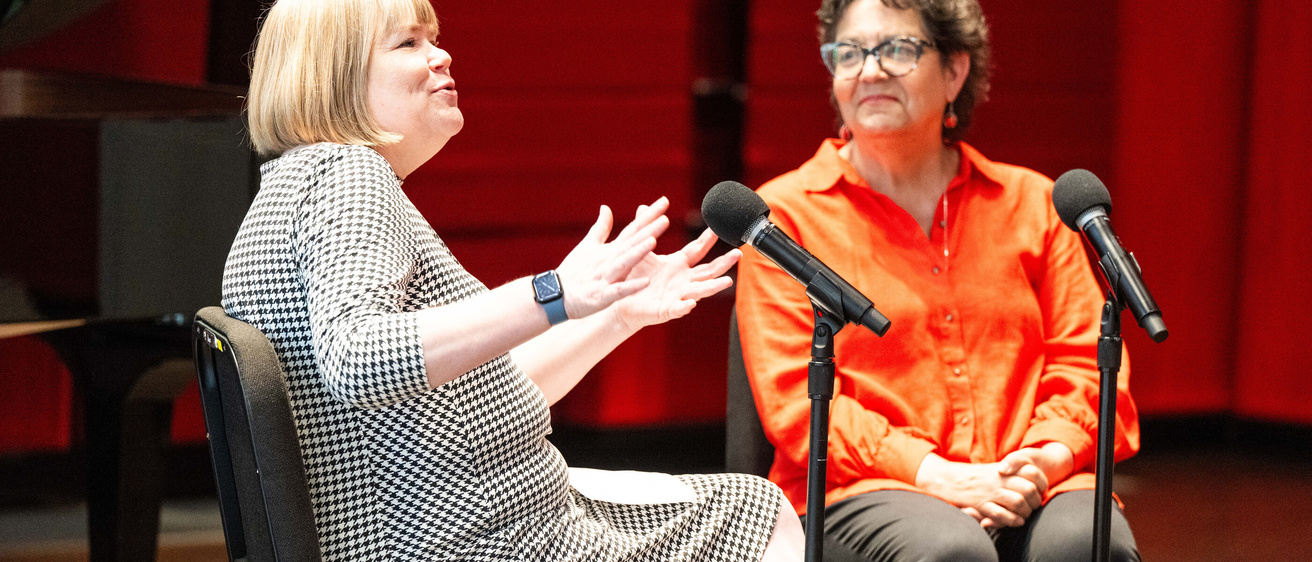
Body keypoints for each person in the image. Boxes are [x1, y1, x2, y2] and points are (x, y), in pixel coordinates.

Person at [222, 0, 805, 560]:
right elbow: (360, 359)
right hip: (470, 539)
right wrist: (551, 294)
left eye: (434, 37)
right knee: (759, 512)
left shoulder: (289, 188)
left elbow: (478, 404)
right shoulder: (345, 173)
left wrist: (615, 312)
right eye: (408, 42)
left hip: (443, 526)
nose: (441, 56)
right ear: (333, 76)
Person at [734, 0, 1142, 560]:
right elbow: (796, 405)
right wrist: (933, 474)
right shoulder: (783, 220)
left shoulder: (1036, 206)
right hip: (865, 487)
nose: (870, 70)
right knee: (953, 551)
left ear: (955, 70)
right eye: (849, 53)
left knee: (1087, 543)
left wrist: (1045, 456)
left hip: (1030, 474)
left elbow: (1083, 361)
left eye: (898, 49)